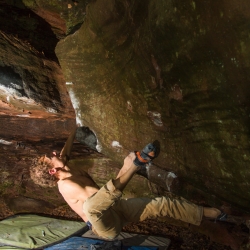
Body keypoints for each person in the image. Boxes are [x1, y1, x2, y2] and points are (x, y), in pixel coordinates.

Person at [30, 127, 226, 240]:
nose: (55, 153)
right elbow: (103, 198)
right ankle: (136, 165)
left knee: (161, 204)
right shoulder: (66, 185)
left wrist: (75, 126)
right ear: (52, 171)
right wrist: (127, 167)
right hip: (105, 226)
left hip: (117, 208)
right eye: (50, 157)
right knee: (91, 207)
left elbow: (66, 148)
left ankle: (214, 214)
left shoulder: (64, 166)